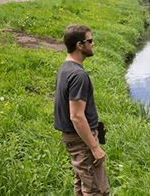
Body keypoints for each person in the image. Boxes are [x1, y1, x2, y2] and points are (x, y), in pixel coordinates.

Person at [54, 25, 109, 195]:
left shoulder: (65, 68)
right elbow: (77, 116)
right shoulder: (78, 75)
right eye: (90, 40)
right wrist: (94, 147)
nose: (93, 44)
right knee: (96, 190)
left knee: (82, 184)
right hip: (81, 140)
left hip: (73, 138)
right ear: (80, 45)